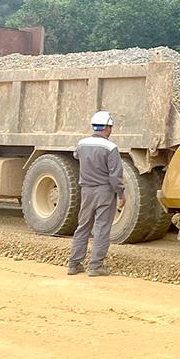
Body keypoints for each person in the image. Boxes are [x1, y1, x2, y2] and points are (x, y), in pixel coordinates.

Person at [67, 111, 126, 277]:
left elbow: (76, 156)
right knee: (101, 228)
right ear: (107, 128)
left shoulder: (82, 144)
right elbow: (115, 176)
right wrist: (121, 194)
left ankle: (74, 264)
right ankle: (95, 266)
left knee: (83, 226)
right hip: (104, 192)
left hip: (86, 190)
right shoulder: (111, 148)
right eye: (111, 127)